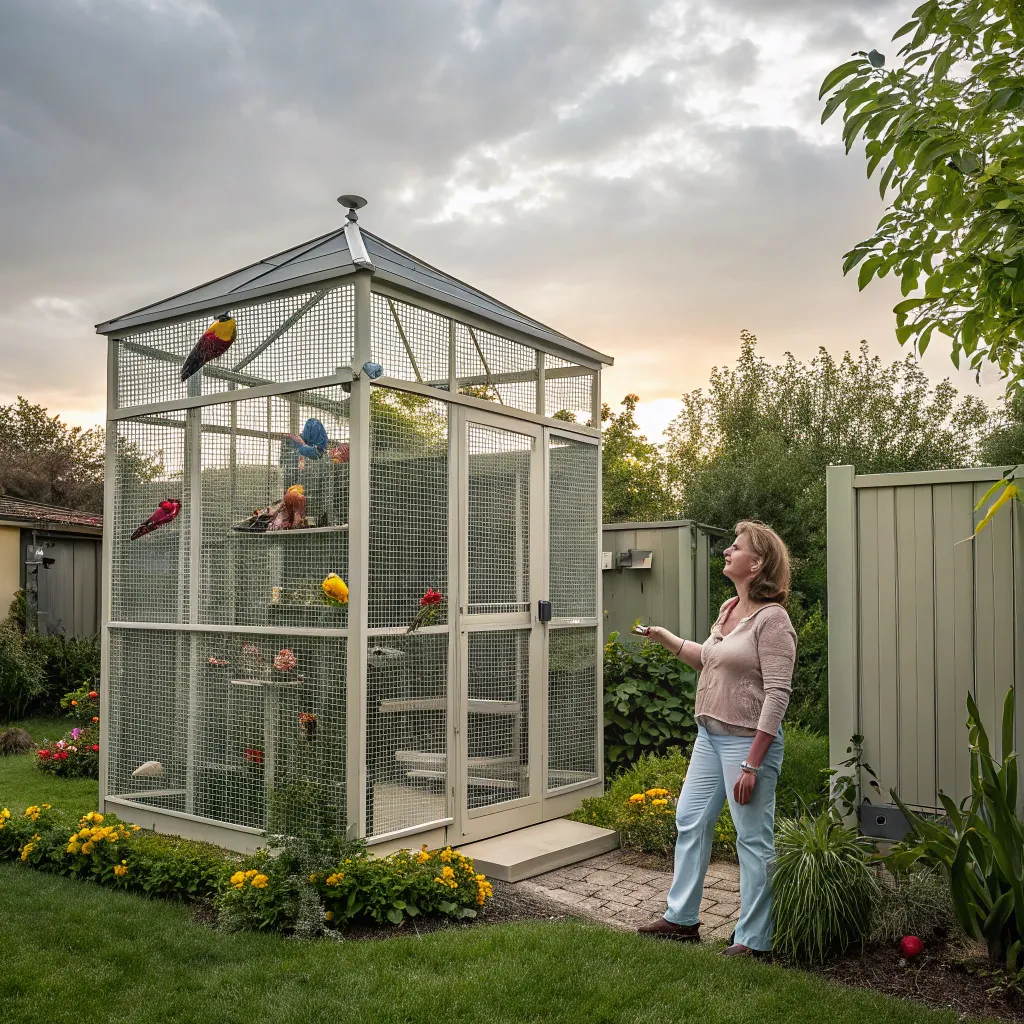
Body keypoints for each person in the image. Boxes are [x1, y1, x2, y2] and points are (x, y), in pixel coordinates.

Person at [636, 520, 797, 957]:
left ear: (758, 562)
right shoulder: (729, 609)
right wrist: (667, 639)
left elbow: (779, 694)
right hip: (709, 738)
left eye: (736, 546)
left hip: (747, 744)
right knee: (690, 819)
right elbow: (709, 660)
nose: (728, 551)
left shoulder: (773, 620)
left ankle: (755, 939)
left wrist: (752, 763)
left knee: (752, 839)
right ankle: (681, 919)